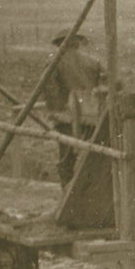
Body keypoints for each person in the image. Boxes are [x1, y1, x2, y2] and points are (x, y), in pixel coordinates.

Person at [40, 29, 105, 186]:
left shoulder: (54, 62)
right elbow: (105, 84)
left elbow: (49, 88)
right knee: (93, 153)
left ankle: (67, 192)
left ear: (61, 44)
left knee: (67, 156)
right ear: (77, 43)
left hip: (67, 116)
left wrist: (55, 111)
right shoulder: (93, 61)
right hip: (92, 115)